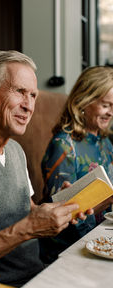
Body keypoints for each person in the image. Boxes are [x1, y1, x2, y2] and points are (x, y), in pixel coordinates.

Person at [0, 50, 90, 288]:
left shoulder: (15, 150)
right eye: (20, 92)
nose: (29, 106)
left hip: (40, 275)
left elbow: (27, 212)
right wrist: (29, 228)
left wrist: (59, 208)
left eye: (33, 95)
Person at [41, 66, 113, 263]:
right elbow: (61, 216)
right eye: (106, 105)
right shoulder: (64, 145)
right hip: (68, 250)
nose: (110, 113)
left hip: (101, 240)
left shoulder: (105, 143)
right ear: (84, 101)